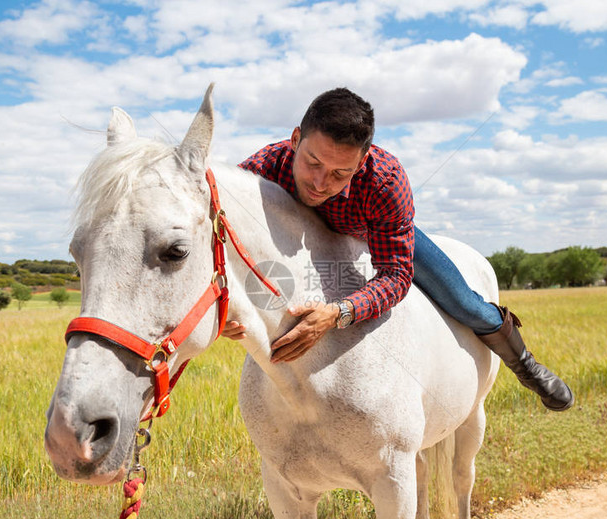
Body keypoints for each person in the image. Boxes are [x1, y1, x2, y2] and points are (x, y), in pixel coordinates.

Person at [228, 87, 573, 411]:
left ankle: (526, 366)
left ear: (361, 164)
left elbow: (396, 276)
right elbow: (222, 241)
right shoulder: (261, 168)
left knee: (464, 303)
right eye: (313, 163)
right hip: (302, 244)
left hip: (370, 233)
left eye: (340, 173)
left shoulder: (386, 181)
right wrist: (226, 309)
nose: (320, 183)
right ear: (294, 139)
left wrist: (336, 313)